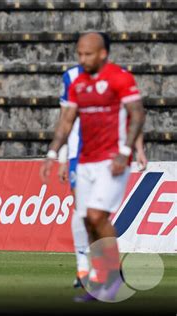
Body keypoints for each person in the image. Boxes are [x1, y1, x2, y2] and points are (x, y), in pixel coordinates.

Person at [40, 33, 145, 302]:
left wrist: (127, 151)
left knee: (98, 216)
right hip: (84, 160)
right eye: (79, 54)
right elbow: (66, 122)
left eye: (87, 54)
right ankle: (104, 279)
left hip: (112, 161)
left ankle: (113, 278)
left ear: (103, 54)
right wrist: (53, 152)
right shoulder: (77, 83)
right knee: (87, 220)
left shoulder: (120, 78)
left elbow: (137, 114)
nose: (82, 59)